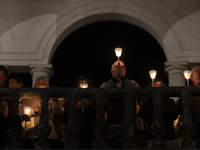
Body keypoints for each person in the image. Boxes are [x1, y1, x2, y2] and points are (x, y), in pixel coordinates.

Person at [100, 60, 139, 148]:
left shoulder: (132, 83)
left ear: (125, 70)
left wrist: (123, 78)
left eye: (122, 67)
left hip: (130, 123)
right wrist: (115, 79)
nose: (119, 69)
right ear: (111, 71)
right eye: (116, 67)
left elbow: (136, 91)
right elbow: (103, 91)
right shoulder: (105, 84)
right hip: (111, 124)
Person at [20, 77, 61, 149]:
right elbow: (22, 112)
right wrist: (33, 111)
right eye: (39, 82)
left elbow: (56, 111)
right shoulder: (28, 97)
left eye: (43, 83)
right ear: (35, 85)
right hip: (31, 132)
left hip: (48, 131)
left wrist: (55, 100)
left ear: (47, 85)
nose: (40, 84)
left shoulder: (51, 98)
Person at [139, 78, 178, 142]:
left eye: (160, 85)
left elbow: (174, 115)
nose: (158, 87)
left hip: (167, 133)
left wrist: (162, 111)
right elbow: (142, 113)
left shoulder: (170, 101)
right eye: (156, 85)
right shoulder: (147, 100)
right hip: (150, 133)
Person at [62, 76, 96, 149]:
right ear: (77, 85)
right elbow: (64, 118)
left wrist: (89, 106)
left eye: (85, 83)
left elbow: (97, 116)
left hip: (90, 133)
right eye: (81, 83)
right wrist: (76, 107)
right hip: (74, 133)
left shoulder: (94, 99)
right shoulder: (71, 99)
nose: (83, 85)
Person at [176, 66, 200, 147]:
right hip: (193, 131)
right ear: (191, 78)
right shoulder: (187, 93)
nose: (198, 74)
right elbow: (177, 110)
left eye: (199, 72)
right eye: (195, 73)